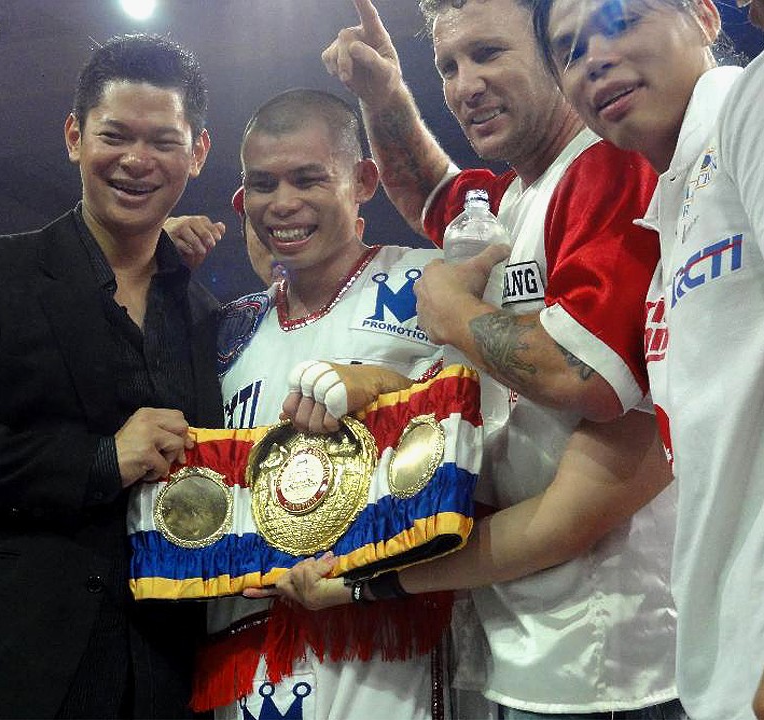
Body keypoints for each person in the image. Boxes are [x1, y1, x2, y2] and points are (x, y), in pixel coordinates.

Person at [273, 1, 682, 717]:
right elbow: (428, 190)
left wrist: (453, 315)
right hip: (525, 637)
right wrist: (384, 94)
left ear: (556, 54)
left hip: (611, 652)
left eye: (489, 53)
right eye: (449, 66)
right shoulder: (519, 195)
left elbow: (587, 377)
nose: (465, 85)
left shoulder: (607, 166)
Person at [0, 34, 222, 718]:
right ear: (74, 137)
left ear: (197, 153)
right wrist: (99, 461)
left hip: (159, 677)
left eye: (163, 141)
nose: (137, 160)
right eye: (114, 135)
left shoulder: (203, 315)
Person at [532, 1, 763, 717]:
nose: (595, 58)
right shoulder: (672, 211)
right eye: (570, 51)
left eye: (621, 19)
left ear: (704, 15)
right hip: (719, 665)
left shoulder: (748, 104)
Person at [202, 88, 457, 720]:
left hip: (386, 648)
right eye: (262, 184)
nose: (282, 203)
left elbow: (484, 432)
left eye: (307, 178)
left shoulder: (431, 283)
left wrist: (387, 389)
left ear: (363, 180)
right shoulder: (227, 330)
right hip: (248, 651)